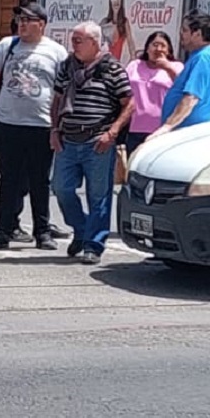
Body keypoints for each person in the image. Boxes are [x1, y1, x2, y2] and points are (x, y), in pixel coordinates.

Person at [0, 3, 69, 250]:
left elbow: (63, 91)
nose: (22, 24)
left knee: (39, 181)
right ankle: (2, 231)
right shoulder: (6, 46)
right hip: (8, 124)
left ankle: (43, 231)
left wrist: (58, 125)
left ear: (42, 24)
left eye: (28, 20)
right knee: (9, 180)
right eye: (20, 19)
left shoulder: (57, 52)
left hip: (41, 125)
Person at [50, 22, 133, 265]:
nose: (73, 44)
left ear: (95, 43)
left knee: (99, 196)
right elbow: (57, 99)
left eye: (79, 40)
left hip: (98, 141)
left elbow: (129, 103)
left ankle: (93, 244)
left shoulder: (113, 69)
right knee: (61, 188)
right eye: (73, 39)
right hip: (68, 139)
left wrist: (112, 132)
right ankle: (82, 228)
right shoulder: (67, 66)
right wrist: (54, 129)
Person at [152, 10, 210, 140]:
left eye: (185, 30)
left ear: (197, 34)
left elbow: (191, 98)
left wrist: (167, 126)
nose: (181, 34)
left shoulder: (203, 58)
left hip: (190, 133)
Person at [125, 30, 180, 151]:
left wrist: (167, 68)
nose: (158, 49)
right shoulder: (134, 65)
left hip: (162, 129)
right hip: (135, 128)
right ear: (147, 48)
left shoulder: (176, 67)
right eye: (155, 45)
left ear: (169, 50)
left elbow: (183, 88)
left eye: (163, 46)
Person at [101, 0, 135, 65]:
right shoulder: (104, 23)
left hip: (116, 68)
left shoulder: (124, 23)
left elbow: (132, 48)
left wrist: (130, 66)